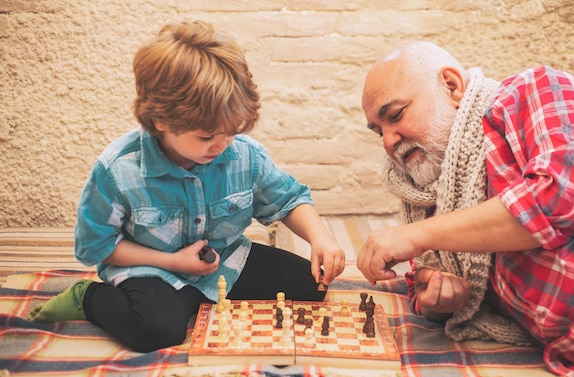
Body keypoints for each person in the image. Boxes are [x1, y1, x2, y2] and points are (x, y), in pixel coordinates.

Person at [28, 20, 345, 353]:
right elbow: (95, 248)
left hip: (225, 261)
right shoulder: (118, 170)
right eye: (207, 136)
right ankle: (88, 298)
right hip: (151, 268)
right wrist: (175, 262)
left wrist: (319, 237)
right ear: (160, 121)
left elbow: (289, 199)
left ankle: (193, 301)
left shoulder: (244, 155)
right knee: (155, 332)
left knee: (313, 287)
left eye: (232, 131)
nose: (223, 144)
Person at [357, 41, 574, 377]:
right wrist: (439, 298)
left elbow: (566, 195)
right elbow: (420, 278)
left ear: (452, 87)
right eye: (378, 131)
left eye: (395, 115)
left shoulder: (536, 90)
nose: (387, 141)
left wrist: (415, 235)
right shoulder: (426, 197)